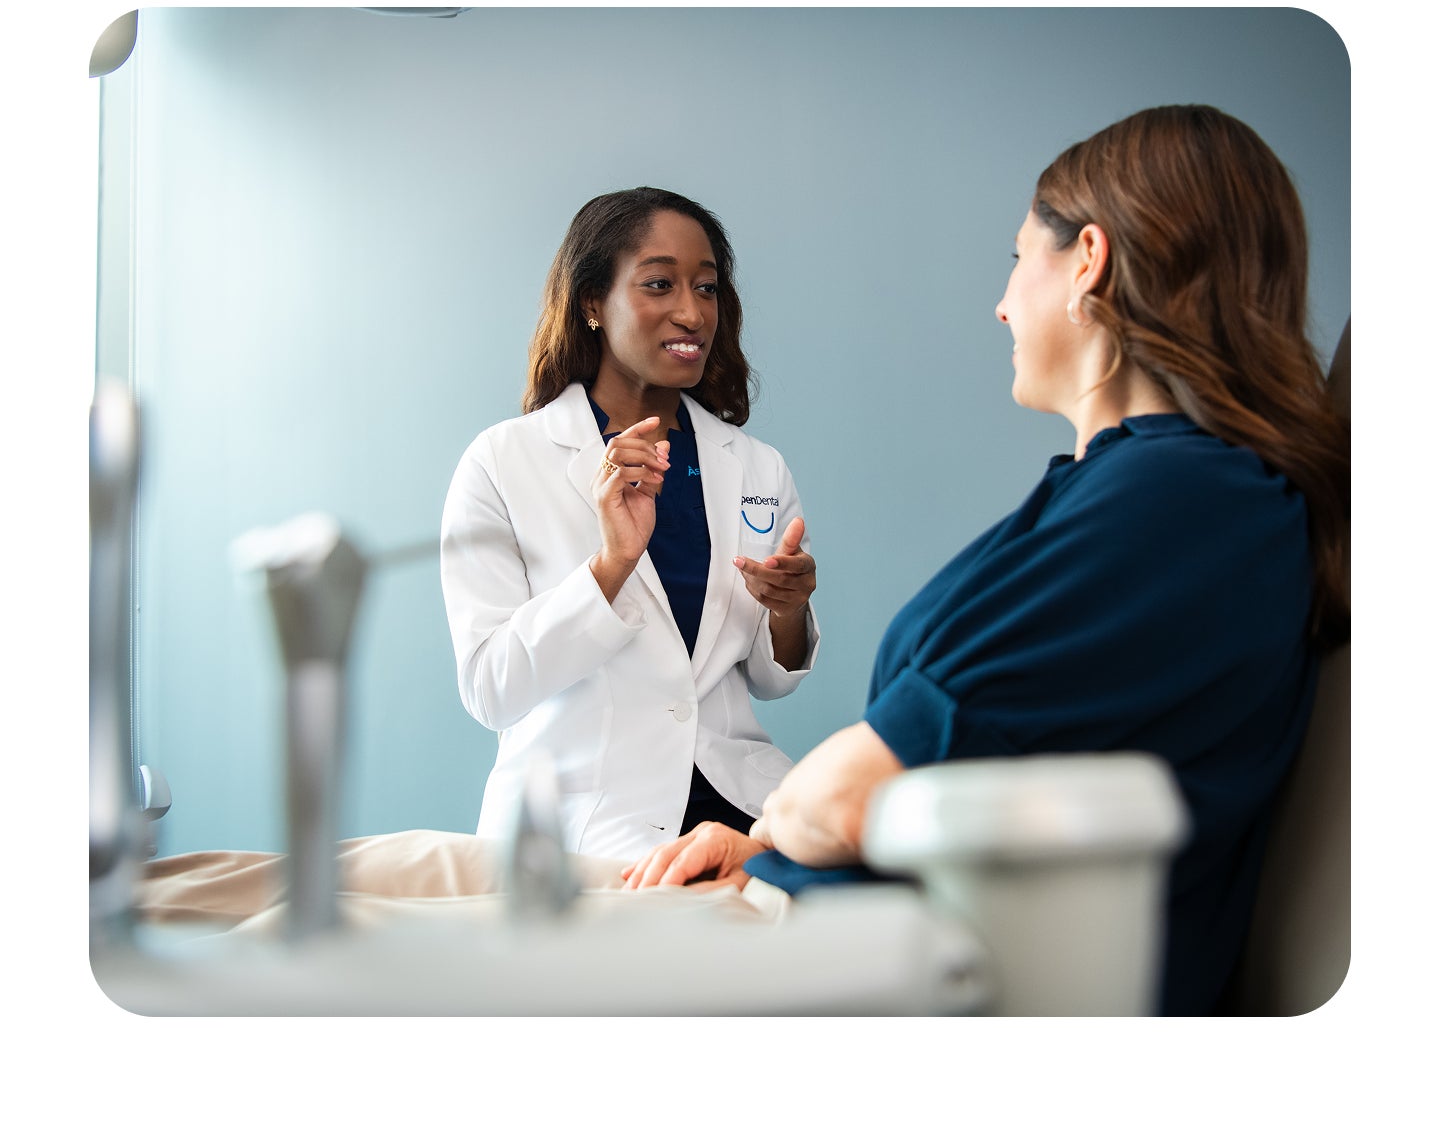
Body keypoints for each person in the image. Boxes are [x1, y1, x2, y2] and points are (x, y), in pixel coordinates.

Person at [619, 105, 1350, 1016]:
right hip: (817, 916)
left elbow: (850, 800)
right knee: (403, 872)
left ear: (1088, 260)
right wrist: (766, 842)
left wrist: (778, 827)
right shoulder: (1118, 494)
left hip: (900, 972)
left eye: (1017, 259)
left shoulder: (1180, 504)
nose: (1003, 302)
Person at [440, 187, 820, 862]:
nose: (692, 311)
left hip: (739, 813)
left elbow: (774, 676)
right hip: (584, 824)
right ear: (592, 303)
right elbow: (491, 688)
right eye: (659, 284)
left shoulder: (756, 468)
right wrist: (610, 565)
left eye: (707, 288)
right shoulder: (503, 462)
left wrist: (789, 611)